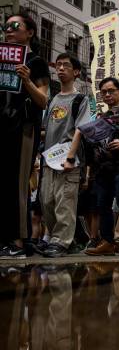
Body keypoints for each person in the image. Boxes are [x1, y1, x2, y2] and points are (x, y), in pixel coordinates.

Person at [1, 13, 50, 259]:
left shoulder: (36, 61)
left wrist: (27, 80)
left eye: (14, 26)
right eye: (5, 26)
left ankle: (19, 242)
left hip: (23, 128)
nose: (8, 30)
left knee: (18, 184)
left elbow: (43, 100)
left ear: (29, 31)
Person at [35, 53, 91, 258]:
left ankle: (61, 241)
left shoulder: (81, 99)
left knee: (64, 202)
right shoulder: (52, 100)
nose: (60, 69)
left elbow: (80, 129)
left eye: (65, 65)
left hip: (69, 160)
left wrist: (70, 156)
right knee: (47, 201)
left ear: (76, 72)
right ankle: (70, 237)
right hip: (49, 160)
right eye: (58, 65)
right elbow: (46, 129)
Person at [84, 77, 119, 256]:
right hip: (103, 167)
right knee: (102, 205)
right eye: (103, 92)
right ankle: (107, 242)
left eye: (111, 91)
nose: (107, 94)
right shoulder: (101, 117)